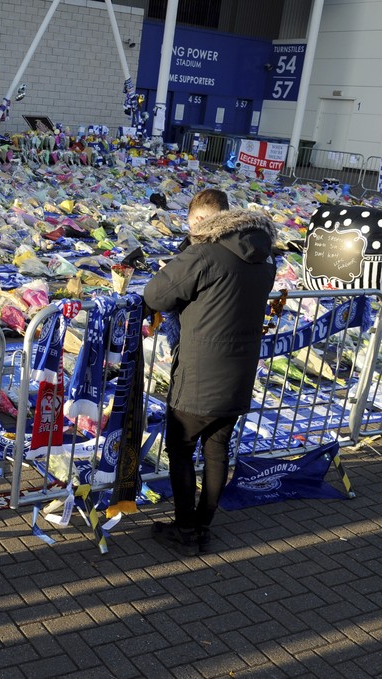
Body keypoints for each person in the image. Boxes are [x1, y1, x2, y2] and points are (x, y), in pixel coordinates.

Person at [143, 188, 277, 556]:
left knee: (182, 449)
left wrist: (186, 251)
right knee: (217, 451)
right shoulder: (264, 257)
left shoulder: (203, 254)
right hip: (239, 372)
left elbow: (156, 295)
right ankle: (203, 524)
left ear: (200, 220)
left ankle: (185, 531)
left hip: (200, 373)